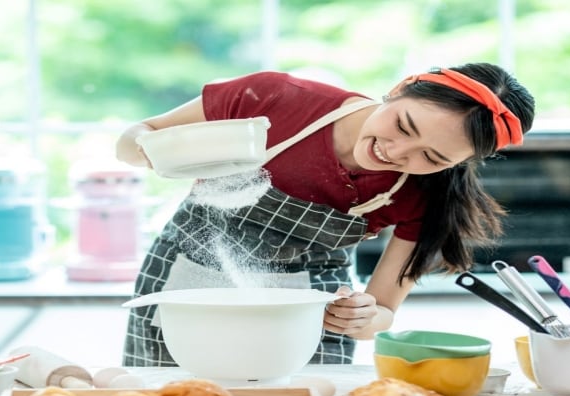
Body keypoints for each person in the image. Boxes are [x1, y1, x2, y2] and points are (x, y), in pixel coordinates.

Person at [116, 63, 535, 366]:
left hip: (310, 307)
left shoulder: (429, 198)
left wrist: (364, 318)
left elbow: (384, 313)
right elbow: (137, 135)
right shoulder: (276, 98)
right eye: (404, 126)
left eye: (432, 156)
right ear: (400, 88)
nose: (396, 152)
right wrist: (151, 150)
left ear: (457, 163)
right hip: (187, 278)